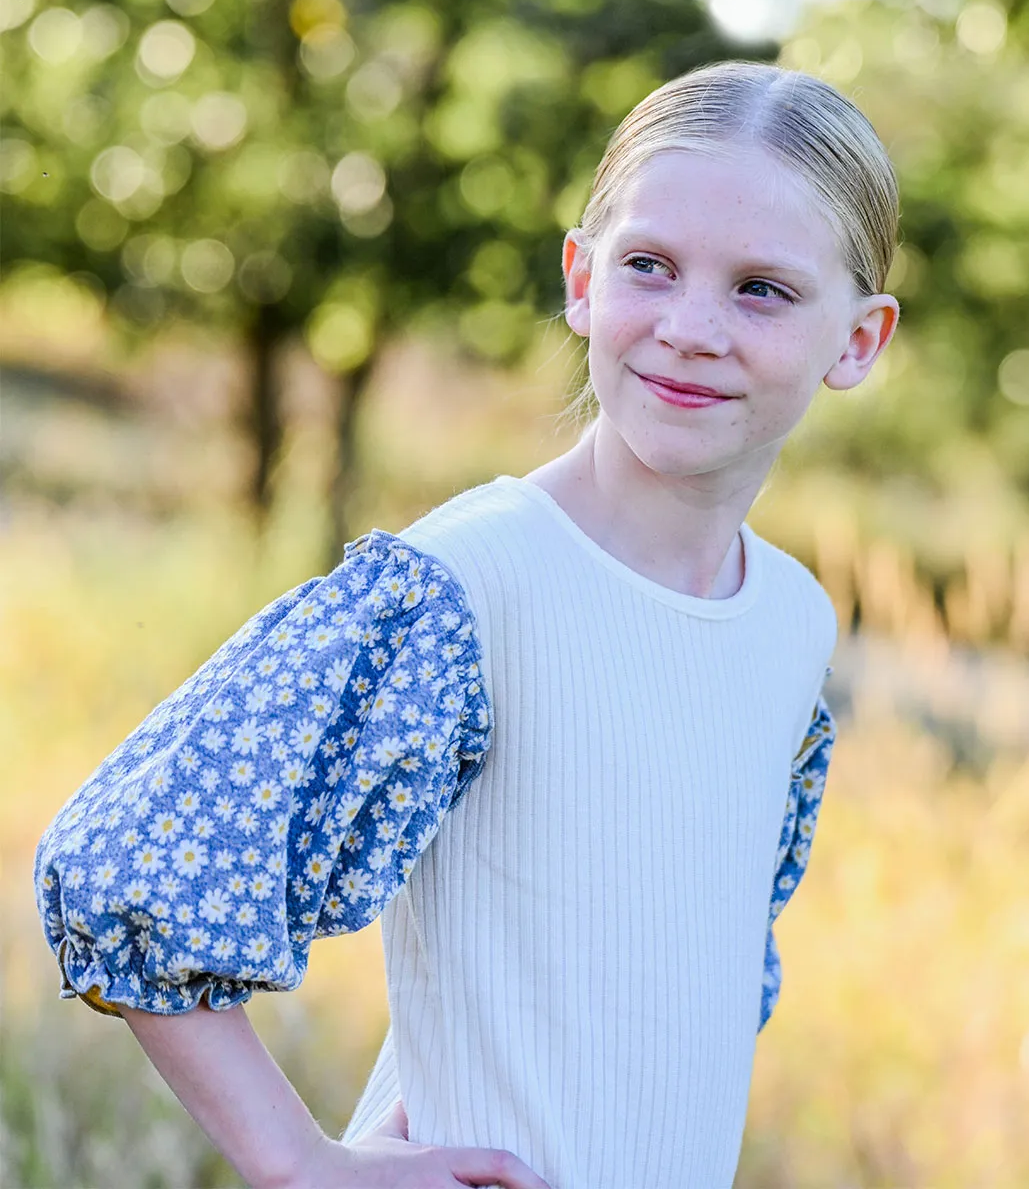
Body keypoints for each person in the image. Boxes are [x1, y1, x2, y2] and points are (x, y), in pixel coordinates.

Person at [33, 58, 899, 1189]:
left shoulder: (793, 622)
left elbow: (644, 966)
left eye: (762, 290)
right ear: (583, 278)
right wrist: (301, 1163)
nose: (690, 327)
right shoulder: (463, 590)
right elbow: (122, 863)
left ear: (860, 340)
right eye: (650, 266)